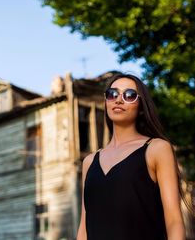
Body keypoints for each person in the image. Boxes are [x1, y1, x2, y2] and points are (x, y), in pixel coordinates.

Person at [77, 73, 185, 240]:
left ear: (141, 107)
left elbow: (174, 220)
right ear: (106, 102)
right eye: (112, 94)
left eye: (129, 95)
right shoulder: (89, 162)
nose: (119, 100)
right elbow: (84, 227)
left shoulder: (156, 149)